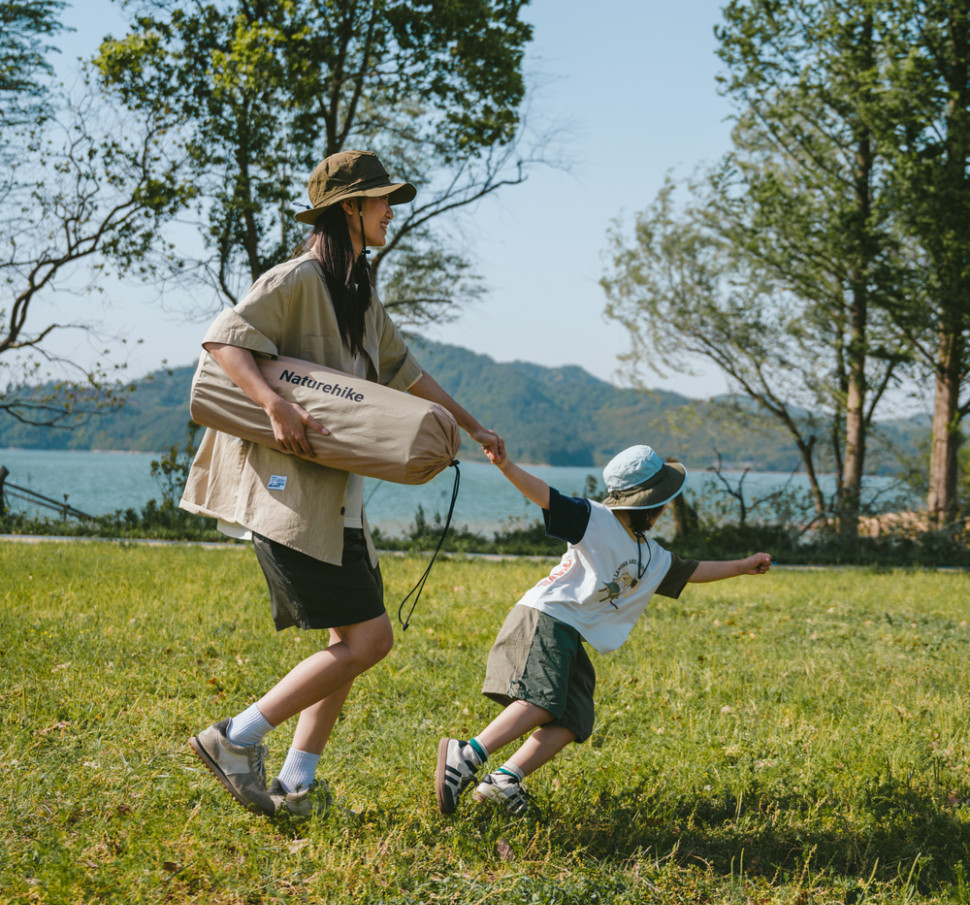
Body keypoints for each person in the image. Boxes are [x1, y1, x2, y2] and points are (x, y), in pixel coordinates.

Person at [182, 149, 502, 819]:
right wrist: (272, 403)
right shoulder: (297, 278)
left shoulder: (357, 292)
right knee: (369, 641)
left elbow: (407, 372)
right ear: (350, 207)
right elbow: (223, 341)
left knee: (348, 644)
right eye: (382, 200)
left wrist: (473, 427)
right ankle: (234, 739)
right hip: (289, 498)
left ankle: (296, 784)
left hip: (337, 504)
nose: (391, 212)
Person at [435, 443, 772, 817]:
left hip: (570, 632)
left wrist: (743, 566)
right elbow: (546, 496)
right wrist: (506, 466)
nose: (663, 510)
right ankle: (466, 754)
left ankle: (504, 780)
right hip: (545, 617)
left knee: (575, 716)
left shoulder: (649, 554)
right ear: (650, 504)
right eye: (662, 503)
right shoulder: (593, 519)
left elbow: (690, 570)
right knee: (542, 700)